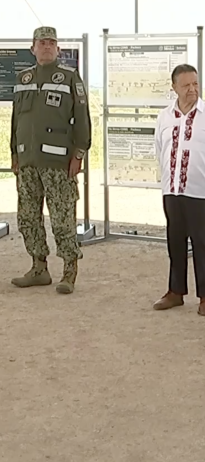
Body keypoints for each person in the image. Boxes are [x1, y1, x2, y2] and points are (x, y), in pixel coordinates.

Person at [10, 26, 91, 294]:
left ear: (58, 49)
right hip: (28, 162)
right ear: (32, 48)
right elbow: (16, 120)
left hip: (58, 162)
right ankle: (38, 268)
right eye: (41, 42)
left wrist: (79, 153)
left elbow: (82, 119)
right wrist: (14, 153)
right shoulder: (23, 78)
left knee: (62, 218)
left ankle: (69, 271)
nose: (46, 46)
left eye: (51, 43)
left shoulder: (69, 78)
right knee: (28, 218)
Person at [152, 64, 205, 316]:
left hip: (200, 191)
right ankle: (175, 292)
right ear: (174, 87)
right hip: (172, 189)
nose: (191, 89)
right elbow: (159, 150)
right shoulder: (164, 117)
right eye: (185, 85)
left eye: (195, 84)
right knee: (175, 241)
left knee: (201, 243)